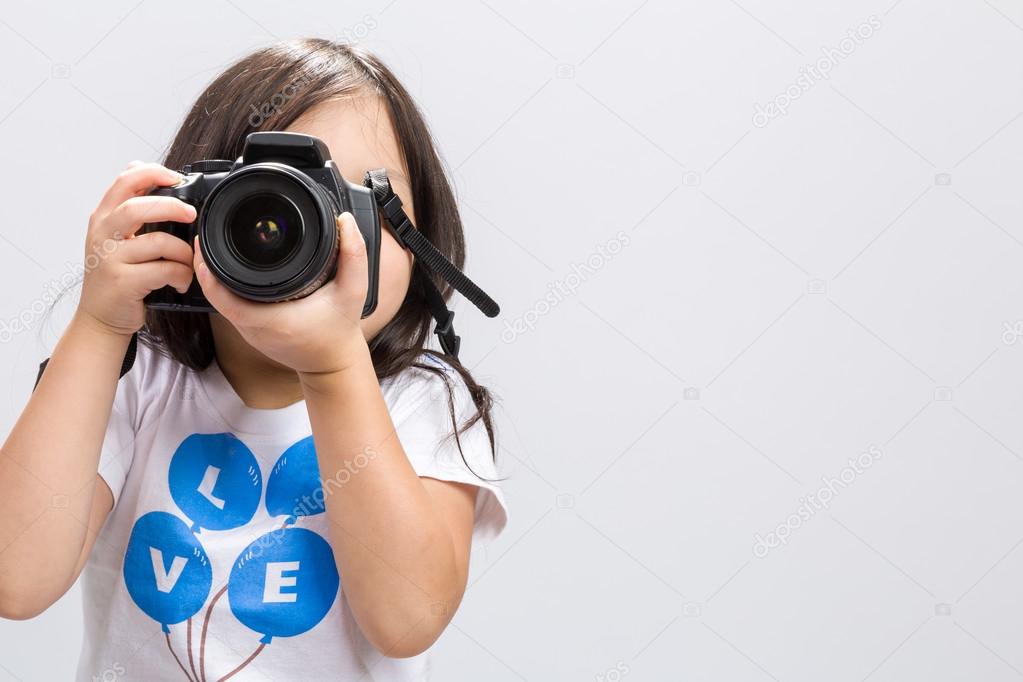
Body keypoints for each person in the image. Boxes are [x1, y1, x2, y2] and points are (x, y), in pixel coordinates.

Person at [0, 38, 506, 681]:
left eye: (353, 201)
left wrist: (333, 368)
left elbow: (407, 620)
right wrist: (99, 327)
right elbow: (15, 579)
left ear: (419, 233)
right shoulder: (140, 379)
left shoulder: (421, 400)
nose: (319, 235)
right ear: (190, 213)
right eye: (267, 202)